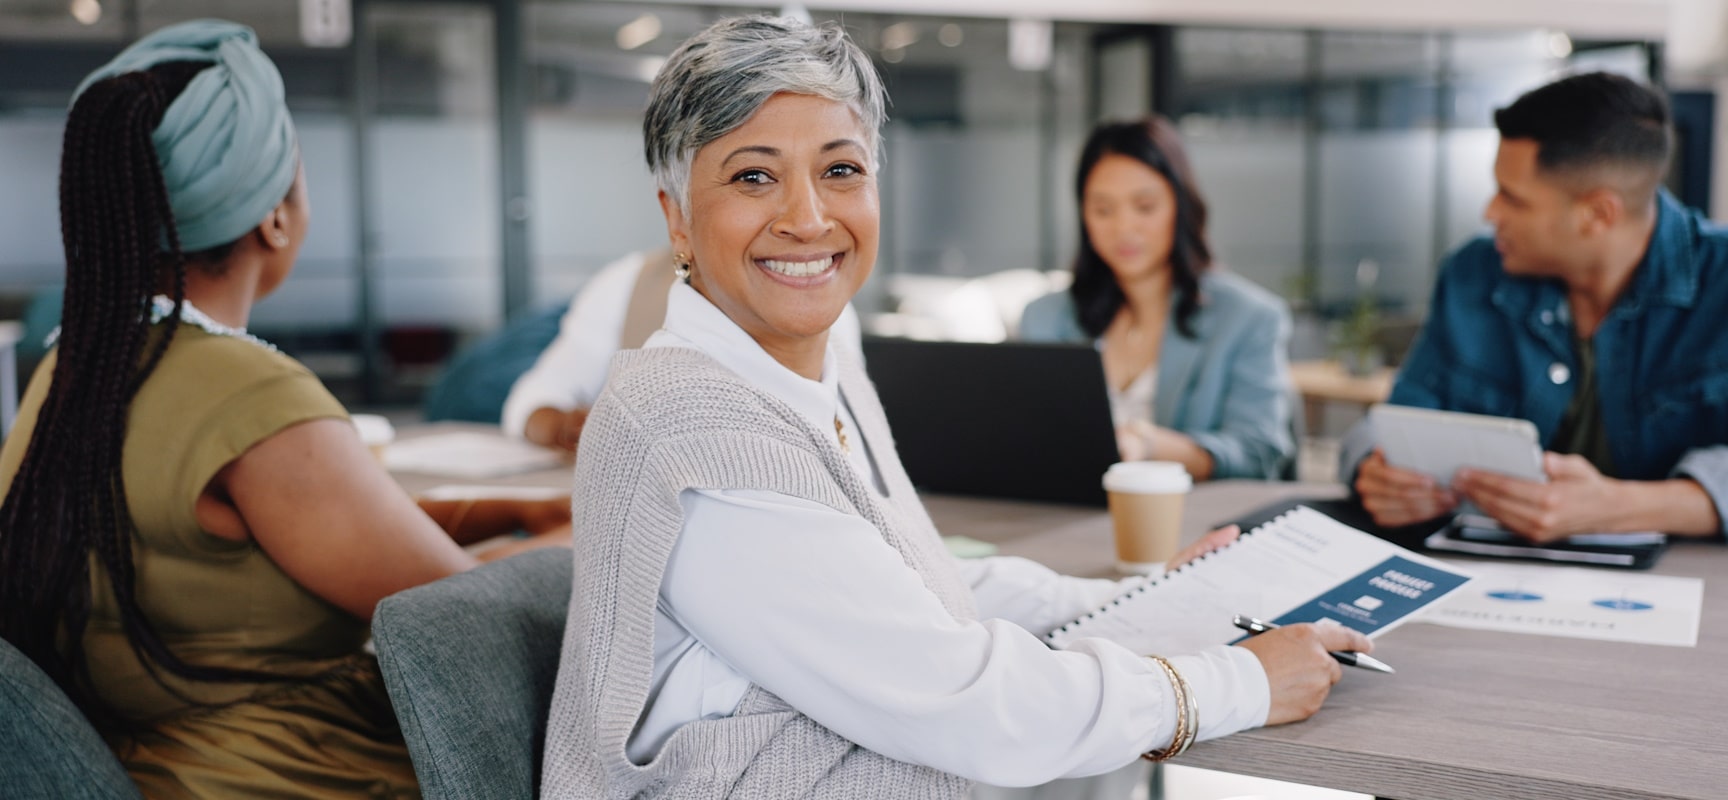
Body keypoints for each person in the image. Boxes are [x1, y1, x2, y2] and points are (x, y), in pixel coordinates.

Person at [541, 16, 1369, 798]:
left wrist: (1136, 607)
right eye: (753, 176)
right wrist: (1238, 683)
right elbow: (966, 702)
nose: (808, 217)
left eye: (841, 169)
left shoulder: (820, 359)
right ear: (677, 222)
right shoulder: (696, 428)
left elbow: (914, 585)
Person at [0, 21, 570, 797]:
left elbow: (304, 529)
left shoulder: (79, 363)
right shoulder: (246, 394)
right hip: (305, 774)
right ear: (275, 215)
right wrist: (585, 535)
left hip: (157, 765)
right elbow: (462, 617)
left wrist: (511, 508)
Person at [1344, 71, 1728, 543]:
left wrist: (1620, 506)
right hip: (1485, 576)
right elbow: (1396, 422)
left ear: (1597, 214)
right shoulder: (1473, 274)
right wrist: (1376, 470)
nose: (1491, 213)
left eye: (1513, 199)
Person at [1019, 117, 1295, 481]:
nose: (1123, 228)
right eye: (1103, 209)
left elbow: (1259, 451)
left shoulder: (1249, 318)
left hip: (1189, 522)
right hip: (1063, 519)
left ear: (1180, 206)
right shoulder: (1046, 316)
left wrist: (1148, 445)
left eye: (1145, 207)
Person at [501, 248, 865, 453]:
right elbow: (531, 398)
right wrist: (564, 426)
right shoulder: (626, 284)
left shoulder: (822, 304)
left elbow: (854, 444)